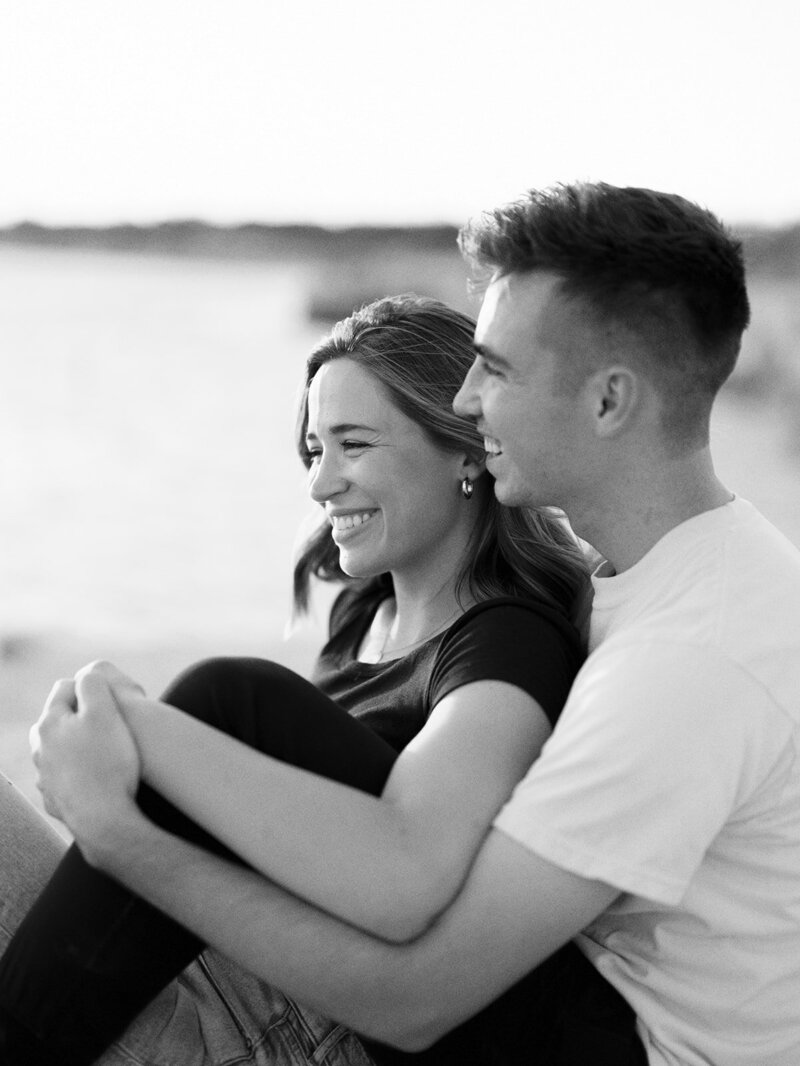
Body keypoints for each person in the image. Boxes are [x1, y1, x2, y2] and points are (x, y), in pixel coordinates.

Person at [15, 181, 800, 1065]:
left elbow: (416, 991)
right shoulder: (661, 583)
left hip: (562, 1041)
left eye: (496, 368)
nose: (465, 399)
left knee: (228, 698)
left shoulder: (684, 658)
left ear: (609, 401)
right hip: (500, 1000)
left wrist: (121, 835)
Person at [0, 293, 641, 1065]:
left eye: (355, 444)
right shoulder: (360, 620)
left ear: (467, 451)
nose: (320, 483)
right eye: (315, 449)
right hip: (226, 961)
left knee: (226, 699)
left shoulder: (508, 646)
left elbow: (412, 870)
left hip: (309, 1030)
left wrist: (128, 788)